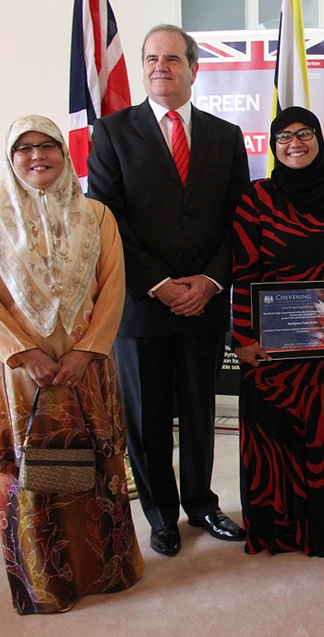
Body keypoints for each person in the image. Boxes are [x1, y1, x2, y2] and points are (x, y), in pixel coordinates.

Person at [0, 115, 143, 614]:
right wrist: (25, 353)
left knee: (92, 466)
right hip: (20, 375)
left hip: (87, 364)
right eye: (24, 148)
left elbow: (113, 286)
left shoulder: (96, 215)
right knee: (32, 475)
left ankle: (108, 571)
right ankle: (45, 582)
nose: (37, 155)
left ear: (65, 154)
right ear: (9, 157)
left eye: (48, 146)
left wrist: (87, 350)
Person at [87, 24, 250, 556]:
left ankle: (202, 503)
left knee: (201, 412)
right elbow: (108, 220)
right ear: (143, 66)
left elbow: (238, 221)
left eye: (173, 59)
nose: (162, 66)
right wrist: (158, 284)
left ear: (194, 67)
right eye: (152, 58)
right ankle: (159, 515)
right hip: (140, 306)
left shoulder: (225, 137)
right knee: (147, 416)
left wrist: (208, 281)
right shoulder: (111, 133)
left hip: (204, 302)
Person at [232, 106, 324, 557]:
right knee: (272, 438)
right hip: (270, 349)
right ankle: (277, 529)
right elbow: (243, 270)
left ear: (319, 138)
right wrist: (244, 337)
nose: (295, 143)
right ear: (274, 147)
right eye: (284, 137)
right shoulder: (255, 199)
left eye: (305, 133)